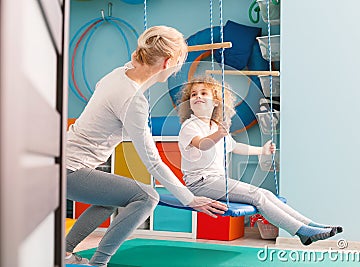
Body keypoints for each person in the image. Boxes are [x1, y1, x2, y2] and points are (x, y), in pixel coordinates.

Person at [65, 26, 228, 267]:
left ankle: (64, 251)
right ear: (167, 62)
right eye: (177, 64)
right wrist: (189, 198)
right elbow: (152, 161)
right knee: (147, 196)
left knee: (113, 198)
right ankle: (98, 263)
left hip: (62, 161)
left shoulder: (118, 73)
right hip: (70, 170)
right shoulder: (133, 100)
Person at [177, 75, 342, 246]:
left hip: (216, 181)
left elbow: (235, 147)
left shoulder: (214, 126)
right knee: (257, 196)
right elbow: (202, 144)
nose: (198, 97)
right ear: (188, 102)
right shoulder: (190, 126)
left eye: (204, 93)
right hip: (200, 183)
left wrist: (261, 150)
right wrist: (219, 134)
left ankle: (310, 224)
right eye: (193, 94)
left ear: (216, 102)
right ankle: (302, 231)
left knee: (267, 194)